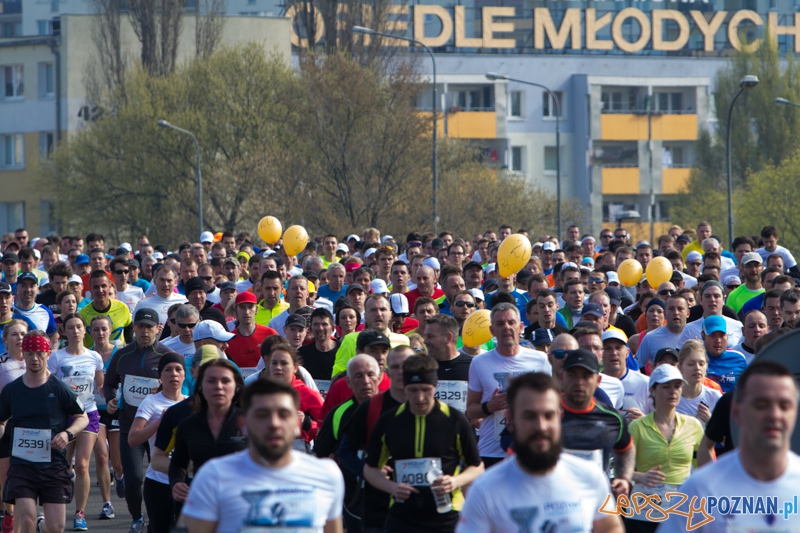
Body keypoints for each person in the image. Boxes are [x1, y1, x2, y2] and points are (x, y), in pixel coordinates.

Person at [457, 372, 624, 532]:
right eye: (529, 416)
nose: (541, 426)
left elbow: (610, 527)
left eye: (548, 415)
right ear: (510, 420)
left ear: (559, 418)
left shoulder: (591, 476)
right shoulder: (485, 491)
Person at [179, 378, 345, 533]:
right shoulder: (213, 476)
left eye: (283, 414)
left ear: (297, 423)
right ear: (243, 424)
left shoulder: (326, 474)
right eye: (262, 415)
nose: (274, 423)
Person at [661, 361, 800, 531]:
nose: (774, 415)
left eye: (785, 406)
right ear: (736, 412)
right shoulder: (699, 488)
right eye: (761, 405)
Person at [363, 355, 484, 533]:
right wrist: (392, 487)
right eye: (412, 390)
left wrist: (454, 481)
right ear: (404, 387)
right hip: (402, 516)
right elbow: (370, 468)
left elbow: (477, 466)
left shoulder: (455, 420)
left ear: (436, 387)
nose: (420, 397)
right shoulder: (389, 421)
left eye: (425, 390)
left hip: (446, 516)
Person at [0, 331, 88, 533]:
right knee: (28, 520)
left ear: (48, 354)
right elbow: (2, 420)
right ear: (24, 354)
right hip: (22, 464)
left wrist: (67, 434)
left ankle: (43, 526)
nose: (35, 358)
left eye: (40, 353)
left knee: (56, 527)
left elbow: (82, 418)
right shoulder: (12, 390)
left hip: (53, 464)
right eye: (29, 353)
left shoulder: (60, 388)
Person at [103, 308, 180, 533]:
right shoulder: (122, 355)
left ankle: (164, 517)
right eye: (140, 326)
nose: (144, 331)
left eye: (149, 327)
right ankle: (137, 517)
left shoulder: (166, 355)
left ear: (158, 328)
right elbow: (108, 384)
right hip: (130, 425)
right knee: (135, 478)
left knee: (165, 474)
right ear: (134, 328)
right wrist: (110, 399)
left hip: (161, 426)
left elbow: (180, 386)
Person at [338, 345, 413, 533]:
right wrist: (368, 470)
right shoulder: (371, 408)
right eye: (395, 367)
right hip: (379, 511)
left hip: (422, 509)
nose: (401, 372)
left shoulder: (437, 410)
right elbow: (344, 451)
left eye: (406, 366)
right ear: (386, 372)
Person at [466, 303, 551, 467]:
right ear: (492, 331)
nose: (506, 327)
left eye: (511, 322)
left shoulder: (540, 360)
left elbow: (551, 406)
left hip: (531, 449)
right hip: (491, 452)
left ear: (520, 327)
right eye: (500, 324)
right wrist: (489, 407)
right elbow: (470, 410)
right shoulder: (479, 362)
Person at [625, 364, 704, 532]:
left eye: (677, 386)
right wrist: (640, 476)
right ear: (652, 390)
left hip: (681, 510)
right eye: (666, 387)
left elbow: (706, 466)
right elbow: (622, 469)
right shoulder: (637, 427)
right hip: (643, 512)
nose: (673, 391)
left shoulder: (694, 426)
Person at [47, 313, 104, 531]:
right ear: (65, 332)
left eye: (79, 326)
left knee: (82, 465)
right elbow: (50, 386)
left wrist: (110, 399)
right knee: (63, 465)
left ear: (85, 330)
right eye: (71, 327)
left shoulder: (94, 357)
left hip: (88, 414)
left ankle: (79, 513)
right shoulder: (56, 358)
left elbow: (99, 387)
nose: (76, 331)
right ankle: (58, 505)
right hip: (64, 416)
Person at [314, 354, 381, 533]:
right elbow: (320, 457)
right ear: (349, 383)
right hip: (352, 500)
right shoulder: (338, 414)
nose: (366, 381)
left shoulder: (394, 409)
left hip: (388, 498)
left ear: (380, 377)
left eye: (370, 375)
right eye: (358, 376)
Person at [169, 359, 247, 512]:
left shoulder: (252, 423)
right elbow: (178, 463)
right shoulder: (188, 425)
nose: (218, 386)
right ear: (201, 387)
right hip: (201, 505)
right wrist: (176, 482)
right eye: (211, 381)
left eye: (225, 381)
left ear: (236, 387)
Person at [559, 348, 635, 496]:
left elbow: (627, 448)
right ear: (562, 377)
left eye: (586, 376)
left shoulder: (613, 418)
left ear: (598, 381)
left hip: (598, 504)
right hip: (555, 505)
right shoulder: (544, 415)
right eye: (572, 375)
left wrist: (624, 478)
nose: (579, 382)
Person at [127, 354, 186, 533]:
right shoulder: (151, 402)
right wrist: (160, 422)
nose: (173, 374)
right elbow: (133, 438)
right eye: (168, 370)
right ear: (160, 376)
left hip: (185, 481)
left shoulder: (191, 403)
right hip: (159, 482)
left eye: (178, 369)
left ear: (185, 374)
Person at [88, 315, 122, 520]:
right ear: (90, 332)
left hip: (116, 411)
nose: (100, 333)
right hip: (95, 411)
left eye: (104, 329)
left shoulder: (120, 354)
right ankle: (106, 503)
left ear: (110, 331)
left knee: (117, 463)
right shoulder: (87, 355)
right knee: (101, 457)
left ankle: (120, 476)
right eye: (96, 330)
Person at [331, 294, 410, 376]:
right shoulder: (350, 340)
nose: (378, 314)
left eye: (383, 309)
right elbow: (337, 376)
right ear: (365, 315)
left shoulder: (403, 341)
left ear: (390, 315)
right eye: (373, 310)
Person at [265, 343, 324, 448]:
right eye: (274, 363)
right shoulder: (261, 393)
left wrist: (307, 423)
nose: (278, 367)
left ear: (295, 368)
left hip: (297, 453)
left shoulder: (308, 394)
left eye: (284, 363)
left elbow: (327, 430)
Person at [0, 319, 27, 532]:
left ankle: (28, 514)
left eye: (23, 334)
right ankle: (8, 514)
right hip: (5, 426)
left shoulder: (37, 362)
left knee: (28, 475)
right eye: (15, 334)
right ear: (5, 339)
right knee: (5, 476)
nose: (19, 338)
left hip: (31, 426)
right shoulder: (1, 364)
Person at [423, 314, 472, 412]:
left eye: (430, 337)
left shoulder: (472, 366)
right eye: (426, 337)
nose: (425, 342)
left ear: (448, 338)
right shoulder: (422, 368)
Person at [225, 292, 277, 377]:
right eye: (242, 307)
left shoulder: (270, 335)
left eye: (250, 307)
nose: (247, 312)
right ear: (235, 311)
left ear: (256, 309)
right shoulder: (228, 339)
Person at [635, 294, 689, 371]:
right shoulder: (650, 337)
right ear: (665, 314)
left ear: (688, 313)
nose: (676, 312)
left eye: (680, 309)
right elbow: (636, 367)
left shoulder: (696, 335)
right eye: (671, 309)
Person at [676, 339, 721, 423]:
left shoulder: (715, 397)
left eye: (701, 364)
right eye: (691, 364)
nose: (697, 368)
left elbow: (726, 434)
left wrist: (711, 422)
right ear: (680, 367)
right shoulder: (672, 397)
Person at [701, 315, 748, 394]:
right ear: (703, 336)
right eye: (713, 335)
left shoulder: (738, 358)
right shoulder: (697, 359)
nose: (718, 340)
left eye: (722, 335)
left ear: (727, 335)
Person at [299, 309, 339, 399]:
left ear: (333, 328)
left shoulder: (343, 351)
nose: (320, 328)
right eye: (316, 324)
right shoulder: (301, 353)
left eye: (324, 324)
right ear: (310, 328)